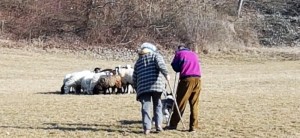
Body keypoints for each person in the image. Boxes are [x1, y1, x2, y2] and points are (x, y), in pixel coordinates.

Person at [132, 42, 170, 135]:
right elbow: (161, 65)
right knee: (158, 105)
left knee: (146, 107)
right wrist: (166, 74)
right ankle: (158, 126)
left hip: (143, 87)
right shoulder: (155, 55)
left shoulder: (138, 61)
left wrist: (137, 89)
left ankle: (147, 128)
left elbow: (134, 77)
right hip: (156, 85)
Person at [165, 44, 202, 132]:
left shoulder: (179, 54)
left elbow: (175, 67)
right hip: (198, 79)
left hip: (187, 80)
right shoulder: (194, 54)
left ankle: (173, 124)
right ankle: (193, 126)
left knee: (180, 102)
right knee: (194, 104)